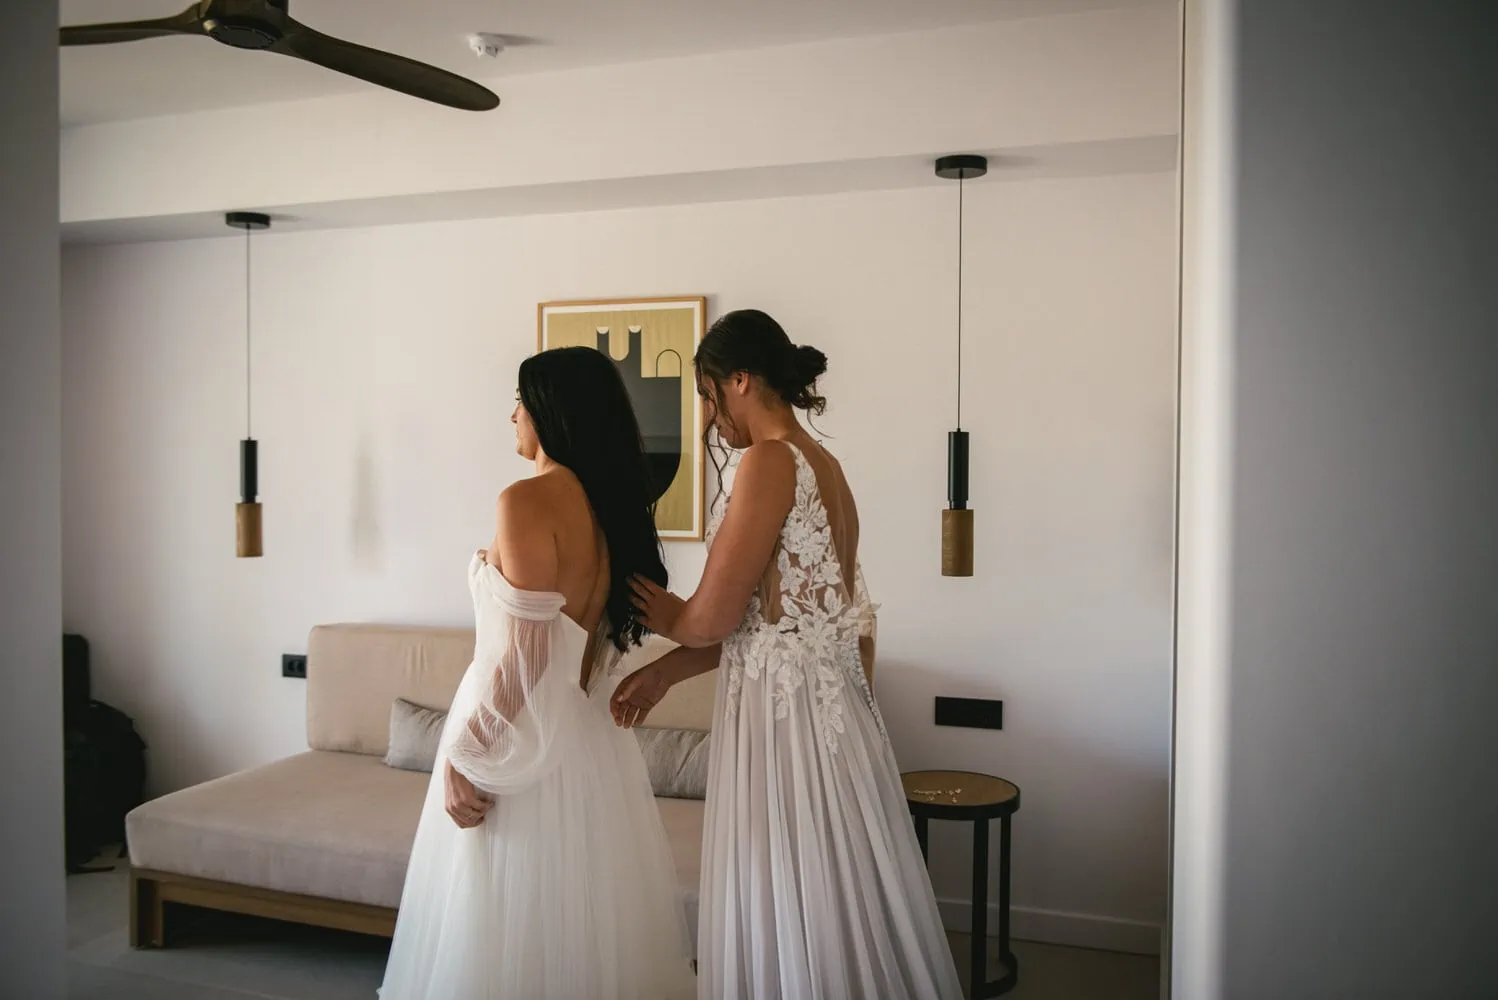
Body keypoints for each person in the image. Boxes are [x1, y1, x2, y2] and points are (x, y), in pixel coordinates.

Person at [612, 310, 963, 1000]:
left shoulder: (769, 461)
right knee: (828, 885)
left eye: (710, 398)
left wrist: (647, 602)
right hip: (820, 705)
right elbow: (772, 624)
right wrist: (663, 670)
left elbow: (712, 618)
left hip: (786, 723)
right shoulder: (824, 466)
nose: (712, 422)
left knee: (788, 879)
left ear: (740, 380)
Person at [380, 346, 695, 1000]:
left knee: (502, 921)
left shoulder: (526, 500)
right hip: (586, 735)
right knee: (577, 920)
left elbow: (527, 655)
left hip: (518, 736)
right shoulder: (612, 511)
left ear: (549, 410)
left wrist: (466, 750)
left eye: (520, 400)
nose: (512, 415)